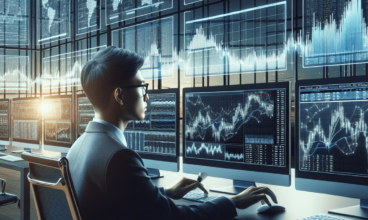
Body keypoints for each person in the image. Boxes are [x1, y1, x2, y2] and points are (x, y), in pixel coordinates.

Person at [67, 46, 278, 220]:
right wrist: (232, 202)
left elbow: (118, 199)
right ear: (120, 95)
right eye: (142, 88)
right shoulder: (119, 158)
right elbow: (173, 217)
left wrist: (165, 193)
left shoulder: (77, 147)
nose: (147, 97)